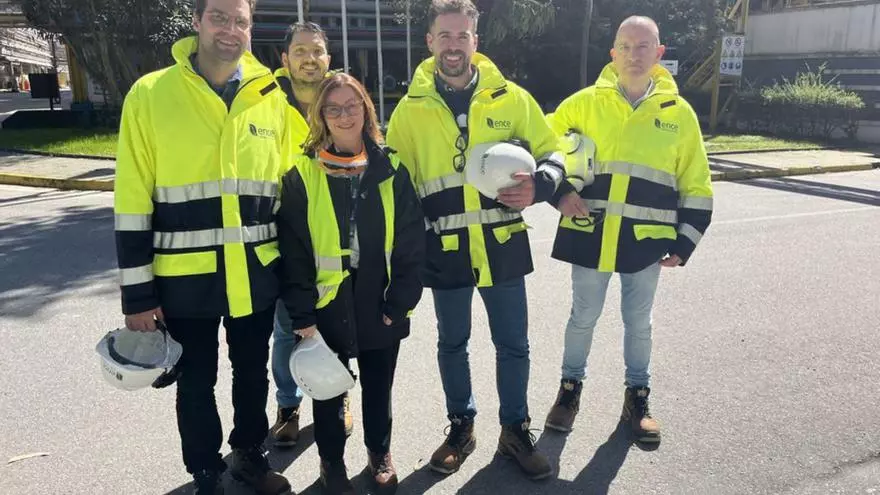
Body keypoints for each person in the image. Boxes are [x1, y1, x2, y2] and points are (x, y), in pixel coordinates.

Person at [113, 0, 293, 493]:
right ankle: (206, 472)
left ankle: (250, 455)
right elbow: (131, 200)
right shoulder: (151, 94)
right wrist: (138, 295)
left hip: (256, 272)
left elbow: (289, 188)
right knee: (195, 381)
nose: (230, 30)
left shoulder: (269, 97)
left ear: (251, 27)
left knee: (252, 374)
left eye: (241, 21)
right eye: (219, 17)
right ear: (196, 21)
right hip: (183, 277)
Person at [385, 0, 566, 481]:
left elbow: (553, 152)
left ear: (475, 41)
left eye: (462, 36)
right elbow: (398, 186)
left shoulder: (512, 98)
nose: (453, 45)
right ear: (430, 41)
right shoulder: (409, 110)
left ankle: (515, 430)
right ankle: (461, 428)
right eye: (444, 36)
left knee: (514, 344)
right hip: (444, 249)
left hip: (502, 245)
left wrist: (540, 186)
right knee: (452, 344)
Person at [543, 16, 714, 443]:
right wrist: (559, 192)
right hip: (591, 233)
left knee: (639, 323)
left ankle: (638, 397)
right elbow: (542, 147)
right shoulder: (582, 104)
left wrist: (686, 240)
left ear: (659, 53)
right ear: (613, 53)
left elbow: (696, 182)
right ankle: (569, 391)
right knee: (582, 318)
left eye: (643, 46)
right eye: (625, 46)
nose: (633, 55)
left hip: (646, 242)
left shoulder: (679, 114)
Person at [277, 73, 425, 494]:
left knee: (379, 387)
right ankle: (331, 461)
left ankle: (380, 453)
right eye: (334, 108)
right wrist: (303, 315)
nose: (344, 116)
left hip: (379, 297)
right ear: (321, 115)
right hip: (327, 304)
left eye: (352, 106)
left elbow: (412, 242)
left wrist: (400, 302)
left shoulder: (391, 169)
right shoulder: (302, 174)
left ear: (366, 109)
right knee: (327, 392)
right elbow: (294, 252)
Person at [268, 20, 355, 449]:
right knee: (288, 327)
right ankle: (288, 405)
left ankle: (337, 396)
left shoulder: (340, 97)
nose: (309, 59)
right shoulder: (264, 100)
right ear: (285, 59)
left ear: (328, 58)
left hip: (332, 232)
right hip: (281, 230)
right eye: (300, 51)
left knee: (336, 325)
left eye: (317, 51)